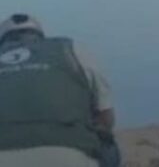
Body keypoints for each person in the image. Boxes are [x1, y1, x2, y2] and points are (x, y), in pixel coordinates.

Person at [0, 14, 120, 167]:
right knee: (108, 145)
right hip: (70, 154)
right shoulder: (70, 49)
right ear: (39, 36)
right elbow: (106, 118)